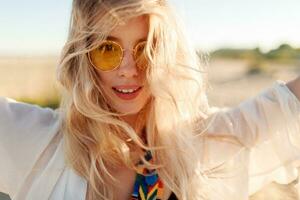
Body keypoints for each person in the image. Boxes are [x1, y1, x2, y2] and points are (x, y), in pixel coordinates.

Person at [0, 0, 300, 199]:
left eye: (146, 50)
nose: (129, 70)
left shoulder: (199, 143)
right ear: (84, 59)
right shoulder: (39, 143)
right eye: (107, 49)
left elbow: (286, 107)